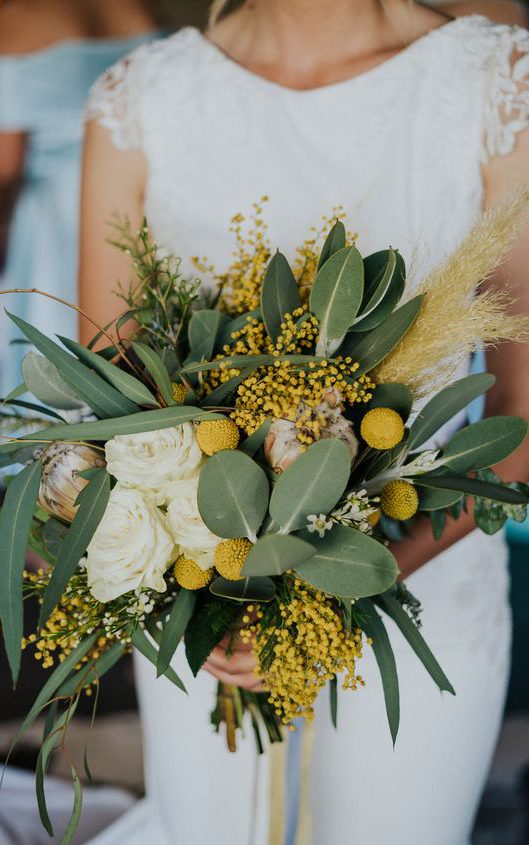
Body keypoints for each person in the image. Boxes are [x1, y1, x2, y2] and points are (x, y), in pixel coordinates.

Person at [79, 1, 529, 843]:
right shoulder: (137, 102)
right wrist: (203, 593)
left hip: (423, 580)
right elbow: (105, 415)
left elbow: (522, 417)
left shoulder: (497, 86)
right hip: (209, 613)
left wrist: (360, 575)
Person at [0, 0, 169, 397]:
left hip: (55, 222)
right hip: (139, 207)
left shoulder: (16, 22)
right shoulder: (140, 9)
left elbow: (5, 168)